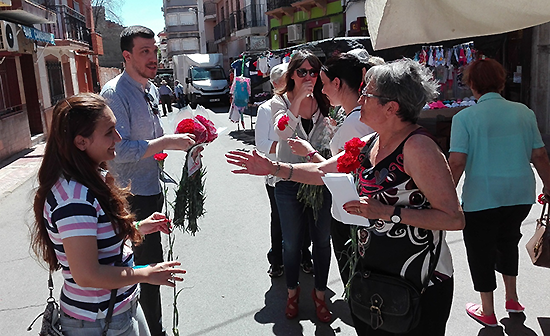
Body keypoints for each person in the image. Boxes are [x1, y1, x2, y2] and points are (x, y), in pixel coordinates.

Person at [227, 58, 465, 335]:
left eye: (368, 93)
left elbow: (454, 219)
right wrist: (275, 168)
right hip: (375, 274)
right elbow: (321, 171)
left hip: (419, 281)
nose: (360, 97)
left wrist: (387, 213)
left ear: (392, 108)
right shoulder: (369, 143)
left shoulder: (418, 147)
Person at [30, 93, 186, 336]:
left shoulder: (90, 178)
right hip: (98, 321)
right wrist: (146, 273)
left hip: (118, 309)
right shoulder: (74, 198)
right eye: (109, 132)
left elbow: (97, 237)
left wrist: (137, 227)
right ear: (81, 142)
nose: (118, 138)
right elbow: (87, 274)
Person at [100, 25, 195, 336]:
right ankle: (150, 330)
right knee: (140, 271)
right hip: (129, 196)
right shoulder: (115, 93)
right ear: (127, 56)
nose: (153, 57)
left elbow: (152, 142)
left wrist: (186, 148)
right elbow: (117, 150)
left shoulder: (151, 89)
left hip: (151, 190)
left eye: (154, 51)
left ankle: (153, 327)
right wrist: (166, 142)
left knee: (152, 268)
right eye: (145, 52)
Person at [448, 58, 550, 328]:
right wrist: (549, 186)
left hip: (482, 197)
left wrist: (445, 197)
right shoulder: (524, 112)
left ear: (471, 84)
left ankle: (488, 310)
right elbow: (539, 155)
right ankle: (513, 298)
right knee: (508, 242)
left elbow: (457, 162)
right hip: (520, 195)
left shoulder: (464, 118)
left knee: (480, 250)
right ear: (502, 82)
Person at [285, 51, 378, 286]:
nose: (322, 90)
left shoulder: (356, 123)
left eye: (324, 83)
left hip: (353, 210)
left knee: (355, 277)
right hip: (357, 208)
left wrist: (307, 152)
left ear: (337, 83)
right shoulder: (356, 118)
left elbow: (336, 172)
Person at [266, 49, 333, 322]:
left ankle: (319, 295)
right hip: (289, 179)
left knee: (321, 241)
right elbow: (281, 133)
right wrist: (297, 100)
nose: (308, 77)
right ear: (291, 74)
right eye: (301, 72)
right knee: (291, 243)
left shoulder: (325, 100)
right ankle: (292, 294)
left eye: (313, 72)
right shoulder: (278, 102)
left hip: (319, 178)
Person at [254, 63, 313, 278]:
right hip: (278, 172)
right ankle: (277, 260)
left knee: (305, 217)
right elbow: (261, 144)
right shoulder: (267, 108)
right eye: (289, 79)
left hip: (305, 170)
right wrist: (289, 150)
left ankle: (304, 256)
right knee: (280, 218)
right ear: (277, 84)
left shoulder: (306, 104)